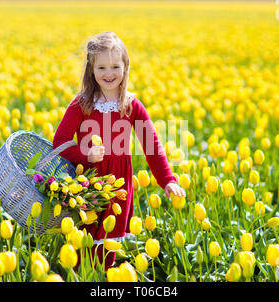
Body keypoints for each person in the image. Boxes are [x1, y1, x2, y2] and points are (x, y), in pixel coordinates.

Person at [53, 32, 185, 269]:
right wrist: (85, 154)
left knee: (108, 246)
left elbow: (152, 146)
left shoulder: (131, 105)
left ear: (126, 67)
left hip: (119, 185)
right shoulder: (81, 104)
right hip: (87, 183)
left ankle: (104, 280)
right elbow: (60, 141)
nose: (109, 73)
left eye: (115, 66)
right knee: (83, 242)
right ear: (91, 69)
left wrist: (167, 180)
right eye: (101, 67)